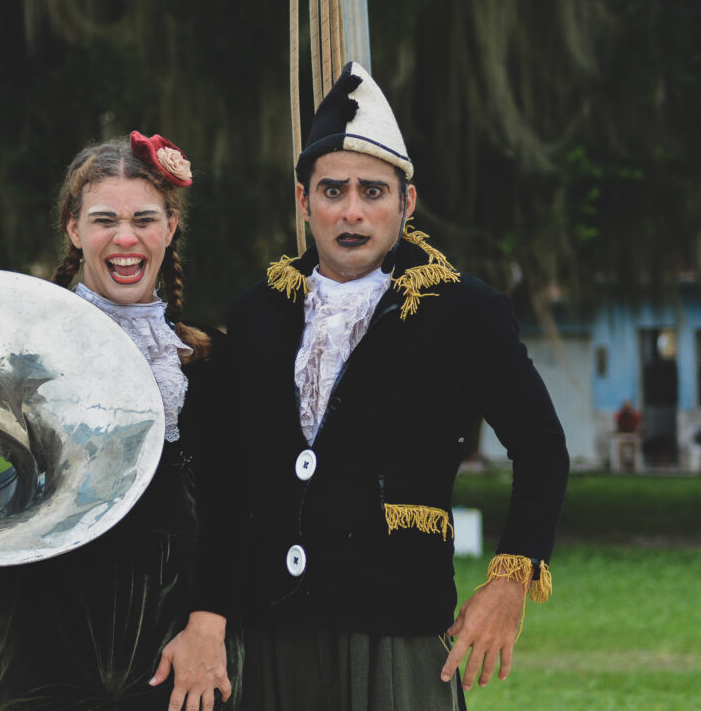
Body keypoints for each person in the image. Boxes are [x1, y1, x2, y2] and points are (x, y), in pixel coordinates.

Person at [213, 63, 570, 709]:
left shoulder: (464, 311)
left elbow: (542, 446)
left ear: (407, 202)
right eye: (332, 190)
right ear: (303, 201)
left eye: (373, 192)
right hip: (272, 635)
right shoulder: (256, 311)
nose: (352, 212)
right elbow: (229, 477)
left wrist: (510, 581)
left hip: (398, 634)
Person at [0, 132, 240, 710]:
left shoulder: (210, 362)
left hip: (176, 654)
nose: (125, 238)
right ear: (75, 230)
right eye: (105, 220)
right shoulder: (27, 357)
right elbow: (0, 487)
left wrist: (208, 627)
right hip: (40, 651)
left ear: (170, 227)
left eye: (144, 219)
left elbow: (233, 507)